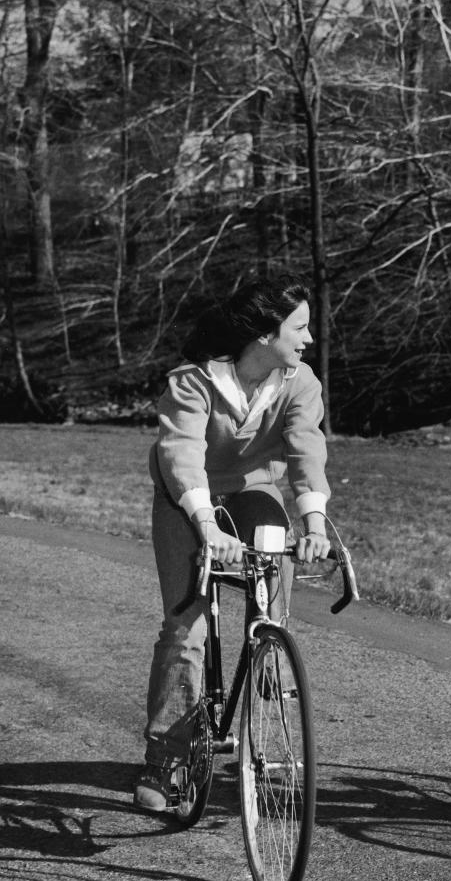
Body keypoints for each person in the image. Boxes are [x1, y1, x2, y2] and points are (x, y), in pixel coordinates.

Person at [134, 274, 332, 812]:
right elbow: (181, 455)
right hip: (186, 497)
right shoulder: (193, 382)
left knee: (275, 551)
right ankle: (168, 757)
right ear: (265, 333)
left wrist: (313, 522)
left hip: (252, 490)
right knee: (186, 623)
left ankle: (268, 644)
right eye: (300, 326)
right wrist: (207, 526)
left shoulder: (299, 381)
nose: (309, 337)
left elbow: (305, 452)